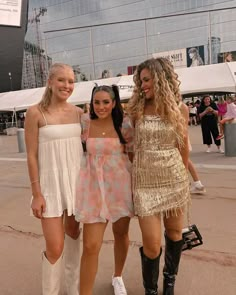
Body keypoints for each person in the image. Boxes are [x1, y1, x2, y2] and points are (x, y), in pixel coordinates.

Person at [127, 57, 190, 295]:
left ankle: (169, 280)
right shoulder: (136, 109)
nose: (142, 85)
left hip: (174, 179)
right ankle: (150, 290)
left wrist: (183, 178)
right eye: (140, 80)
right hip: (145, 183)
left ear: (161, 78)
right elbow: (131, 148)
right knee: (152, 244)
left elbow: (183, 146)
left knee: (174, 234)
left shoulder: (179, 108)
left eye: (147, 79)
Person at [24, 63, 83, 295]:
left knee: (74, 236)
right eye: (61, 80)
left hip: (76, 185)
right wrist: (36, 194)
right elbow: (31, 156)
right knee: (55, 247)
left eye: (70, 81)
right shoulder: (35, 112)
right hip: (49, 187)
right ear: (50, 81)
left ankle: (74, 289)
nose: (67, 85)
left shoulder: (79, 113)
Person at [75, 85, 134, 295]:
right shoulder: (84, 122)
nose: (100, 107)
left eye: (105, 102)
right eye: (96, 102)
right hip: (92, 189)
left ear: (114, 103)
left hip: (120, 187)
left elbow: (133, 155)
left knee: (121, 233)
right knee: (91, 245)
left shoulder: (124, 124)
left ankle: (117, 276)